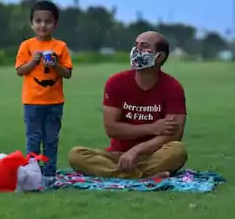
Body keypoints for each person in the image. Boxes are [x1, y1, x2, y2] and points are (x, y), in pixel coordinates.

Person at [68, 31, 187, 179]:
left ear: (159, 57)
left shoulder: (172, 87)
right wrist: (152, 128)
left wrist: (137, 150)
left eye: (144, 47)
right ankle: (142, 176)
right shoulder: (116, 82)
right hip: (116, 156)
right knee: (76, 155)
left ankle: (121, 175)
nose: (137, 51)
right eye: (135, 46)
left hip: (153, 155)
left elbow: (173, 135)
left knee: (177, 150)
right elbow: (112, 129)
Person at [15, 0, 73, 177]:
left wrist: (55, 65)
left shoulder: (60, 47)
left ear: (55, 24)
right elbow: (19, 70)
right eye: (38, 21)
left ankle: (49, 174)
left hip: (54, 102)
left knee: (51, 139)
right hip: (32, 101)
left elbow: (68, 73)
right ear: (31, 23)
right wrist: (33, 61)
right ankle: (32, 173)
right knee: (33, 139)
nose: (43, 25)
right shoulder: (27, 46)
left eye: (48, 21)